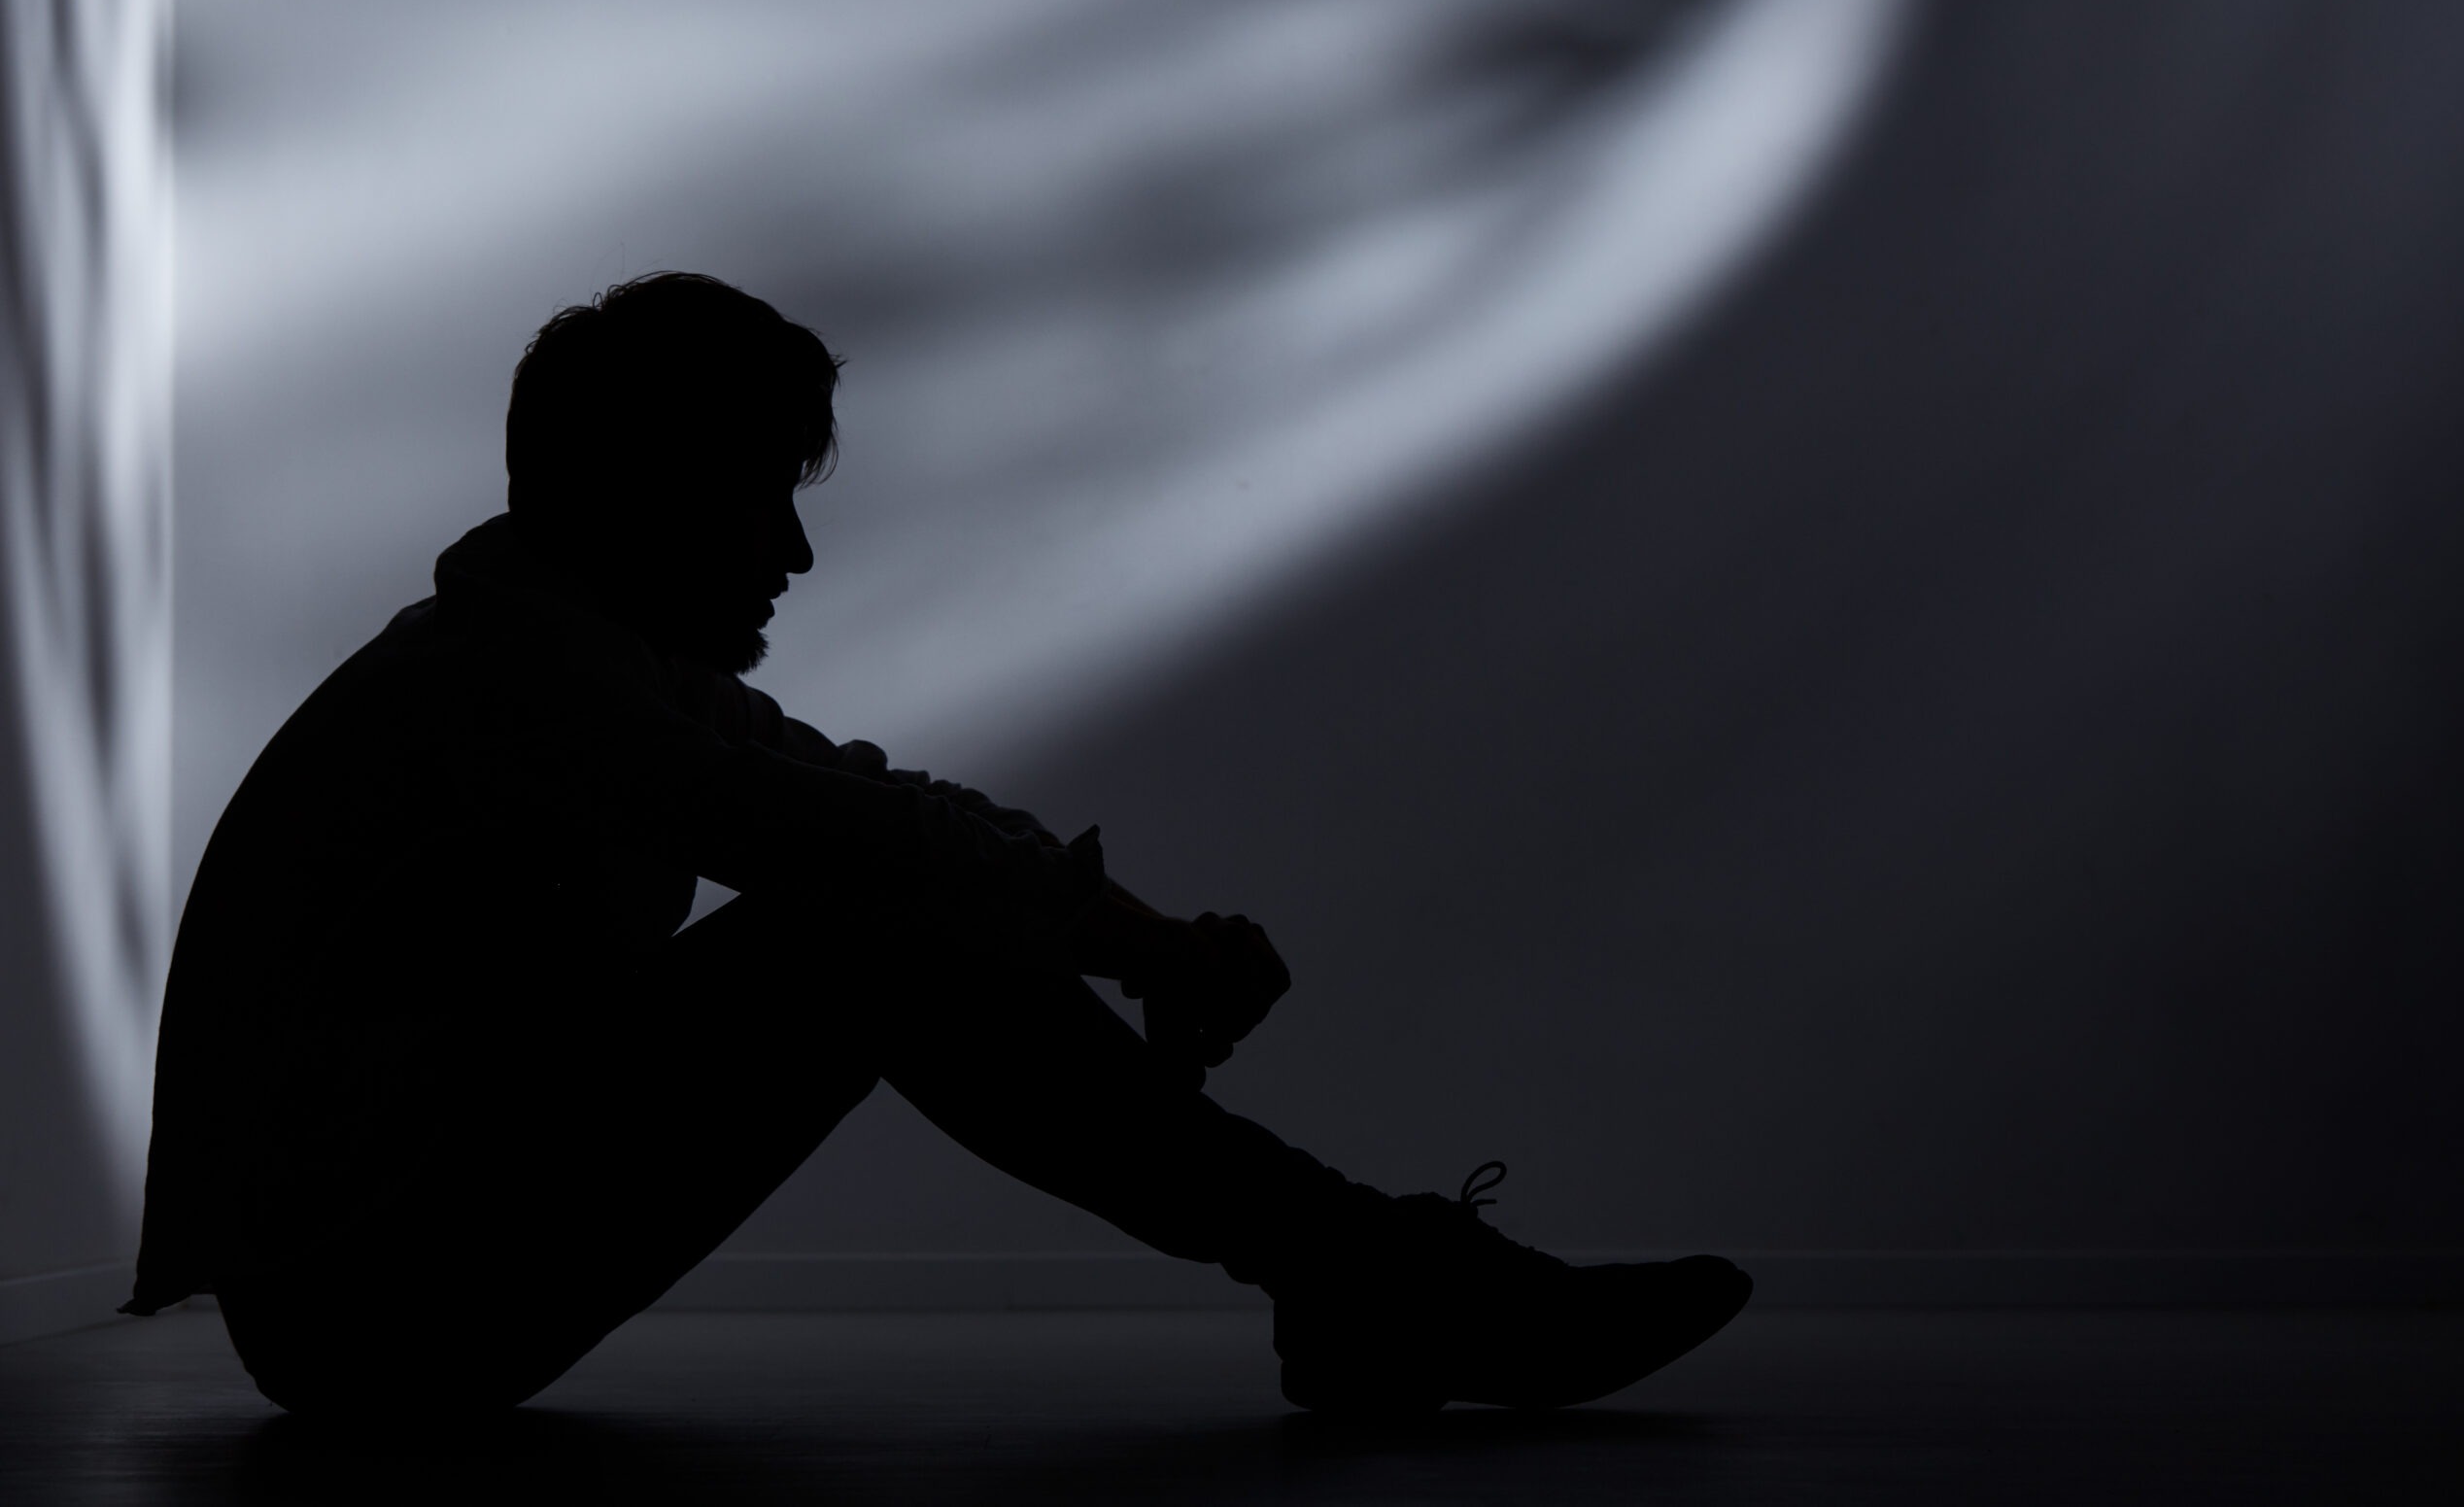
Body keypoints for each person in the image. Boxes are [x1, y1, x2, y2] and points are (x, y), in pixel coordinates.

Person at [124, 272, 1750, 1419]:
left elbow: (885, 806)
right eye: (761, 497)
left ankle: (1362, 1278)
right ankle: (1373, 1278)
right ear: (652, 493)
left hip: (399, 1281)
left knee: (884, 903)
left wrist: (1143, 935)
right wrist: (1145, 948)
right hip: (365, 1317)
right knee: (864, 927)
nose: (796, 551)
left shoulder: (578, 664)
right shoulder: (519, 688)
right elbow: (859, 852)